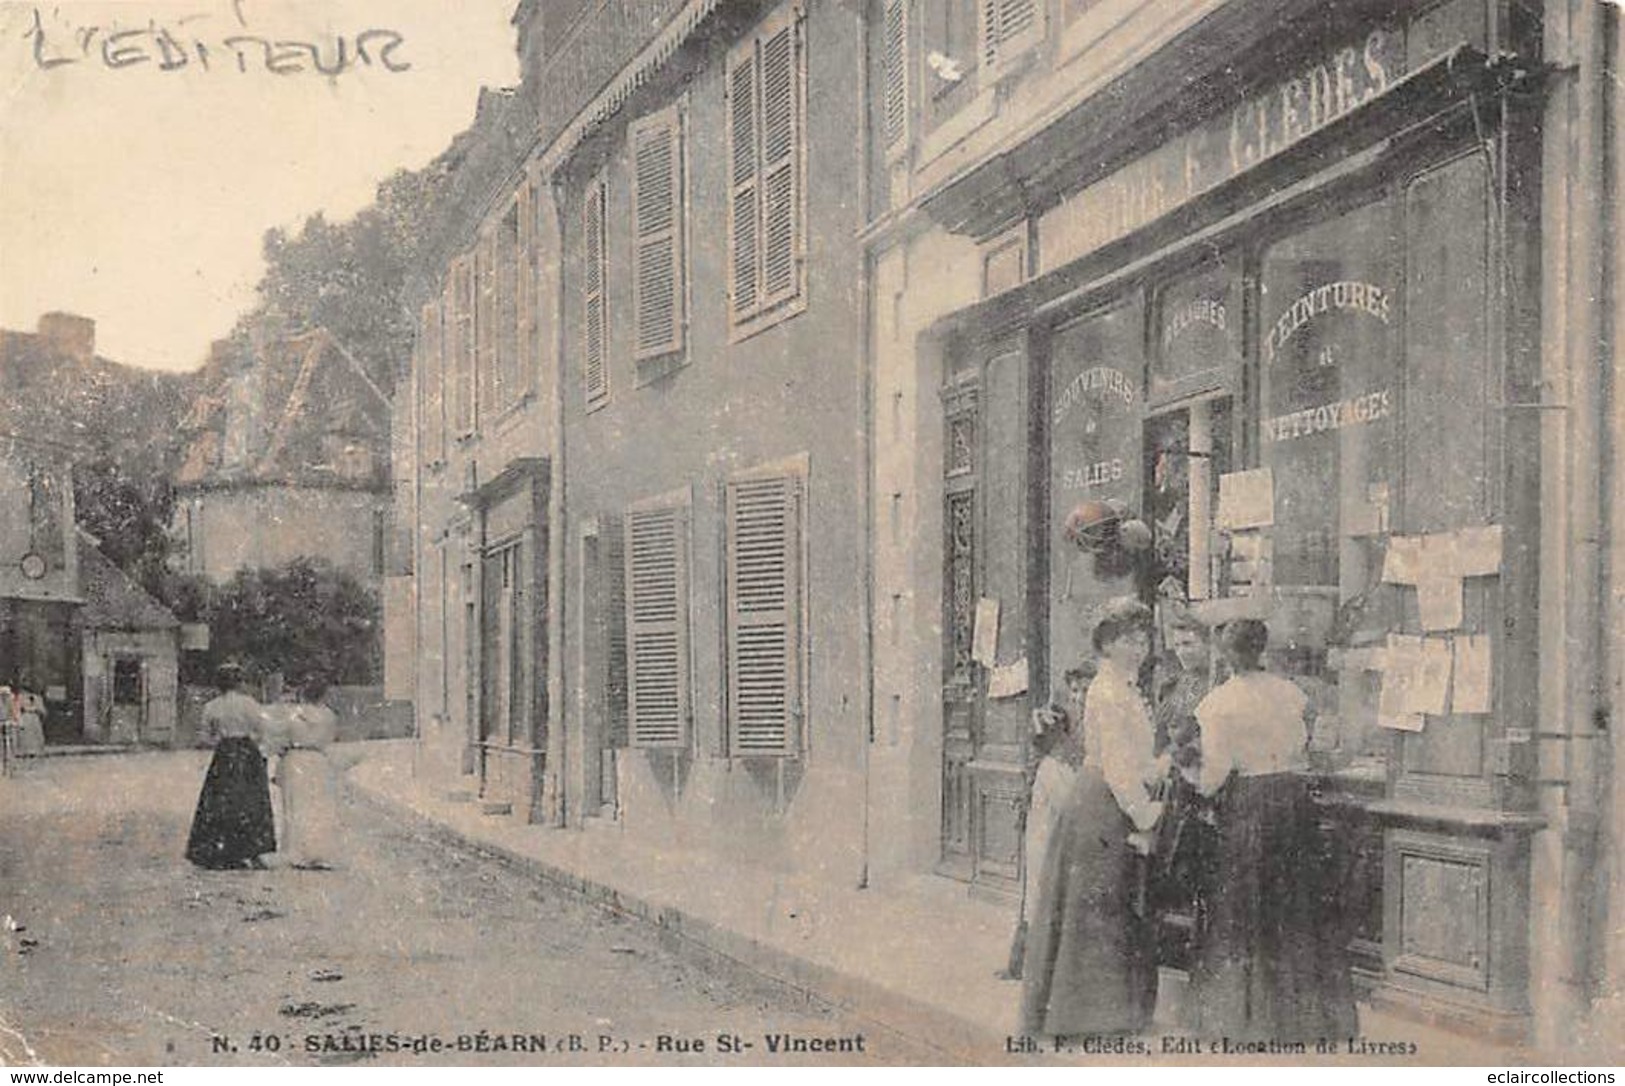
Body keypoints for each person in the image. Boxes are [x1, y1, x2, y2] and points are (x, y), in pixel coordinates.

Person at [1187, 619, 1357, 1043]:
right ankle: (1306, 1018)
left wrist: (1189, 776)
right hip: (1293, 802)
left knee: (1247, 907)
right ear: (1262, 649)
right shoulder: (1292, 693)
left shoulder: (1217, 703)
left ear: (1226, 654)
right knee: (1295, 905)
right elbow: (1309, 747)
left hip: (1251, 804)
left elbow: (1214, 775)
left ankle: (1250, 1020)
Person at [1021, 602, 1166, 1038]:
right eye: (1128, 639)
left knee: (1109, 906)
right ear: (1106, 643)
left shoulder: (1124, 687)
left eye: (1142, 639)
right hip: (1104, 806)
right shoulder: (1107, 691)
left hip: (1111, 800)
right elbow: (1119, 768)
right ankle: (1088, 1016)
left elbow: (1134, 759)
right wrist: (1147, 814)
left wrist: (1162, 765)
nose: (1138, 648)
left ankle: (1108, 1014)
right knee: (1099, 908)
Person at [1004, 662, 1095, 979]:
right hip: (1055, 811)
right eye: (1075, 689)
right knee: (1041, 886)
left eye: (1085, 689)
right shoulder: (1059, 724)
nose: (1079, 695)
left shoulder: (1099, 716)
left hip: (1067, 805)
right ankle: (1031, 963)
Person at [185, 663, 277, 870]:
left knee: (221, 800)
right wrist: (252, 742)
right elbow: (263, 730)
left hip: (225, 753)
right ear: (240, 682)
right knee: (250, 799)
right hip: (247, 752)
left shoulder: (212, 706)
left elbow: (204, 737)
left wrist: (221, 738)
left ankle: (222, 851)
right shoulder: (250, 703)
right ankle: (252, 850)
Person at [274, 679, 345, 870]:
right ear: (323, 694)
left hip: (296, 759)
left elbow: (282, 738)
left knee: (296, 805)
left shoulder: (293, 714)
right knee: (319, 805)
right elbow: (330, 738)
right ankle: (319, 853)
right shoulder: (329, 715)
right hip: (318, 760)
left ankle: (297, 853)